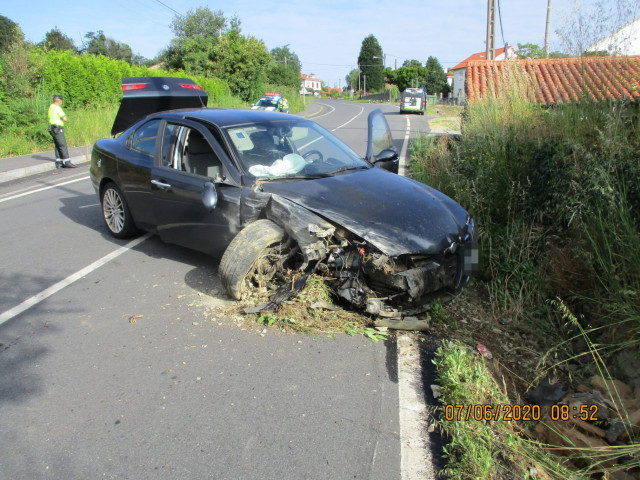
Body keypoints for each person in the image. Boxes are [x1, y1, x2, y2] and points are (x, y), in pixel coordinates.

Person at [48, 94, 77, 168]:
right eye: (61, 101)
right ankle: (67, 161)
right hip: (57, 128)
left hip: (52, 128)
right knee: (62, 145)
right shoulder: (57, 108)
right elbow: (65, 118)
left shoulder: (51, 107)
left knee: (57, 145)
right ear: (59, 100)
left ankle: (59, 162)